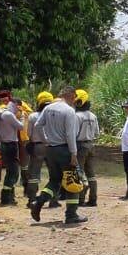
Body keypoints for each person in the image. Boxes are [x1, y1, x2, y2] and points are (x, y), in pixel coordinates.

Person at [29, 85, 86, 225]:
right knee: (73, 181)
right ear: (71, 96)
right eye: (74, 98)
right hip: (65, 150)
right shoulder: (69, 111)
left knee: (55, 180)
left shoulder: (48, 108)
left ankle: (38, 202)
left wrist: (45, 140)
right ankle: (71, 215)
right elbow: (70, 134)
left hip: (51, 150)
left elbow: (37, 125)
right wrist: (73, 153)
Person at [23, 89, 54, 202]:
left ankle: (31, 199)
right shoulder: (55, 115)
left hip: (37, 147)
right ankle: (53, 200)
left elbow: (28, 134)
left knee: (34, 173)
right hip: (52, 147)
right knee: (53, 172)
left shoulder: (33, 116)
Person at [0, 92, 24, 207]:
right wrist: (22, 116)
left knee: (10, 172)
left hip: (3, 144)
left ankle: (10, 196)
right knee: (13, 172)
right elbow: (21, 127)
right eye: (19, 107)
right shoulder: (9, 115)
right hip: (10, 145)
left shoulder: (0, 112)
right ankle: (6, 198)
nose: (19, 109)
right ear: (16, 105)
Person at [74, 89, 100, 207]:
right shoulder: (93, 116)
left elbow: (73, 134)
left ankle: (80, 199)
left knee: (79, 172)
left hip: (80, 146)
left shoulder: (76, 116)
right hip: (90, 145)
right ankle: (93, 199)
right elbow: (97, 133)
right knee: (91, 174)